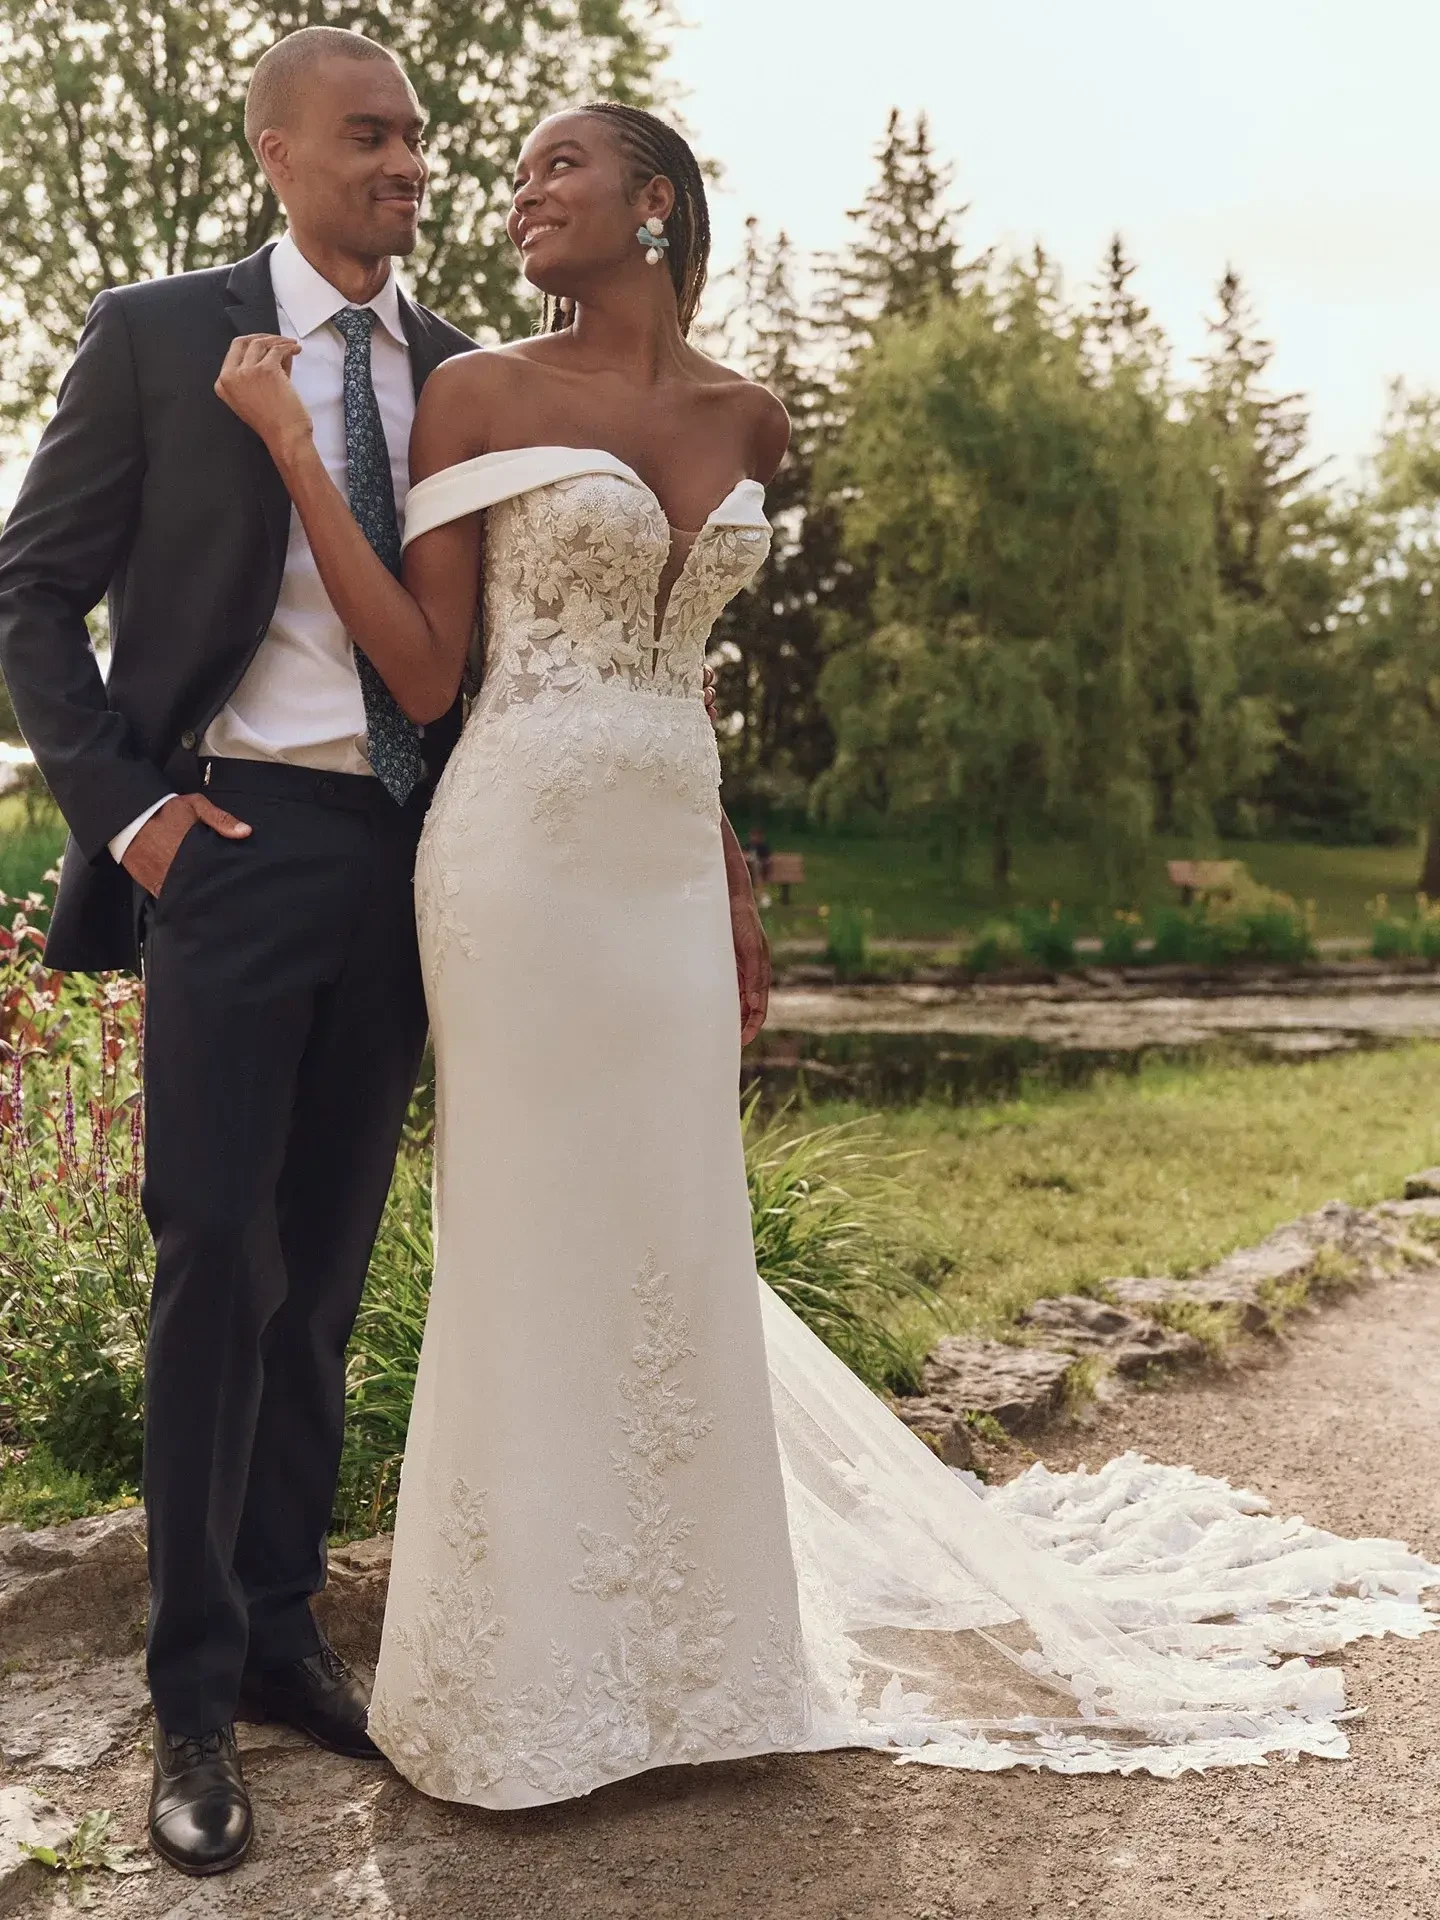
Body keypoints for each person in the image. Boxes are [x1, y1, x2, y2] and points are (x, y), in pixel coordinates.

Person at [215, 94, 1440, 1813]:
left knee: (678, 1228)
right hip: (516, 867)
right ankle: (527, 1686)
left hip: (658, 865)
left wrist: (725, 876)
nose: (516, 195)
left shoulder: (753, 416)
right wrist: (284, 438)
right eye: (509, 175)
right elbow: (427, 673)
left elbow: (683, 675)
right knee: (530, 1230)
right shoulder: (480, 393)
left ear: (651, 200)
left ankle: (703, 1671)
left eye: (555, 165)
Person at [0, 27, 481, 1878]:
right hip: (225, 843)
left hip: (400, 862)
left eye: (421, 141)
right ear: (275, 152)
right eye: (369, 137)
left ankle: (285, 1632)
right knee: (212, 1247)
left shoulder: (458, 375)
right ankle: (187, 1689)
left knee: (331, 1264)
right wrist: (132, 816)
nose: (407, 166)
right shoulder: (149, 336)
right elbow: (30, 593)